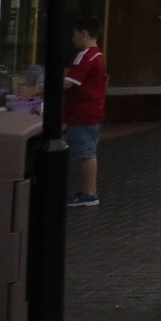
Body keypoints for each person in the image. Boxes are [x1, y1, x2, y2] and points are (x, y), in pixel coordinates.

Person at [63, 18, 108, 208]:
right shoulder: (97, 55)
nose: (72, 39)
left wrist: (37, 90)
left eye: (74, 34)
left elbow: (67, 83)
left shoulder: (85, 57)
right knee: (87, 152)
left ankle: (90, 193)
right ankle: (87, 191)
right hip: (91, 111)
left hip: (83, 113)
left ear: (84, 33)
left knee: (86, 154)